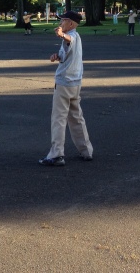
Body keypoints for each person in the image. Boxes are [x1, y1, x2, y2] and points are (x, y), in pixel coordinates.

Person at [39, 10, 93, 167]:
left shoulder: (72, 36)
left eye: (63, 20)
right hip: (75, 83)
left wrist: (62, 34)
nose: (60, 23)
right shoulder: (74, 37)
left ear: (71, 23)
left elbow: (69, 40)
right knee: (76, 117)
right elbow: (68, 52)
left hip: (64, 83)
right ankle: (86, 150)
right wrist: (57, 56)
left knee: (59, 118)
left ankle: (57, 154)